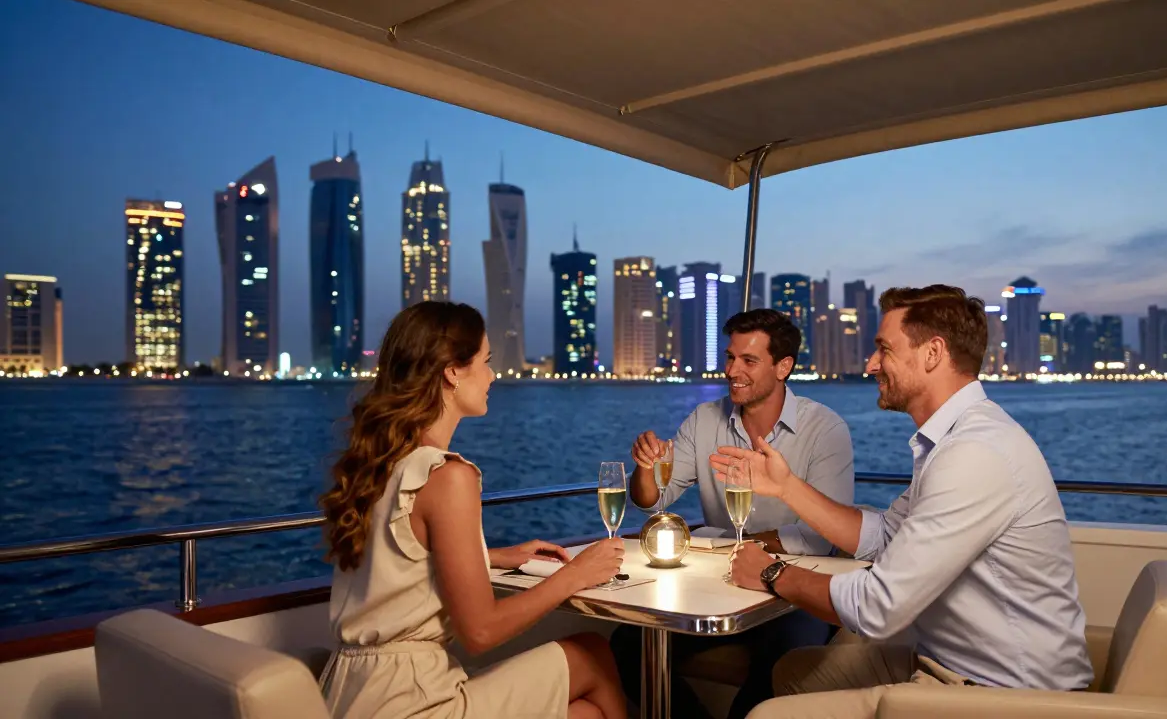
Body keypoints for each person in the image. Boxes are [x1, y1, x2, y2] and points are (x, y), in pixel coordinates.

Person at [711, 285, 1093, 718]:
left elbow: (879, 607)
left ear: (932, 354)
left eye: (883, 349)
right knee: (791, 672)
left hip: (1007, 693)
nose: (871, 364)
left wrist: (773, 572)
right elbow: (884, 536)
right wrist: (786, 487)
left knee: (765, 715)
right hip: (944, 659)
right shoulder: (952, 441)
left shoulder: (974, 453)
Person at [318, 301, 628, 719]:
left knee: (587, 715)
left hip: (349, 694)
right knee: (591, 652)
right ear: (452, 371)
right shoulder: (447, 476)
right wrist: (577, 574)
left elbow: (401, 559)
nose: (492, 375)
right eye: (485, 361)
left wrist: (492, 557)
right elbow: (480, 632)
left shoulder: (380, 461)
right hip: (410, 699)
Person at [611, 308, 856, 719]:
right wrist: (645, 466)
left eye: (748, 361)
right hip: (721, 585)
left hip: (794, 593)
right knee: (625, 646)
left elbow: (818, 537)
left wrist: (739, 547)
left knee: (783, 662)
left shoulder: (825, 430)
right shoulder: (705, 419)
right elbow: (652, 500)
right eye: (730, 357)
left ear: (783, 367)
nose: (732, 370)